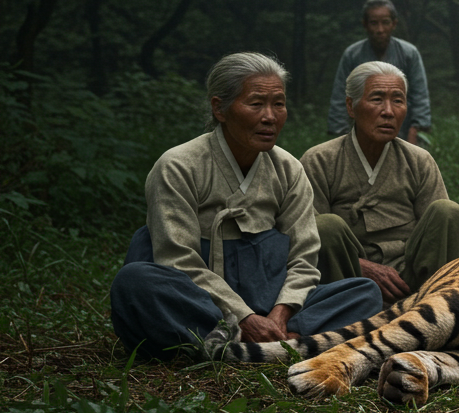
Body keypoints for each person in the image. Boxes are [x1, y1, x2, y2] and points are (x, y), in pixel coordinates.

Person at [110, 53, 382, 359]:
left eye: (278, 104)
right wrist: (243, 316)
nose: (270, 116)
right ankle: (272, 343)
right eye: (256, 104)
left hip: (269, 293)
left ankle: (248, 345)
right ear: (220, 108)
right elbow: (178, 260)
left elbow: (304, 257)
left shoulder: (288, 169)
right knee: (134, 282)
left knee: (365, 293)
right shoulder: (178, 166)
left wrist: (281, 312)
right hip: (205, 301)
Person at [301, 61, 459, 304]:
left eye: (398, 100)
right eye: (377, 99)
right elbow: (307, 240)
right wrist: (362, 267)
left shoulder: (418, 160)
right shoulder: (320, 160)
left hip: (410, 279)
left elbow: (438, 235)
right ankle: (347, 312)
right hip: (350, 277)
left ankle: (438, 308)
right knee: (325, 226)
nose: (388, 111)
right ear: (351, 106)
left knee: (448, 212)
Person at [326, 0, 431, 145]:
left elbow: (420, 96)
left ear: (394, 24)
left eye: (385, 22)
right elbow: (339, 97)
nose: (380, 30)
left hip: (402, 129)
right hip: (361, 132)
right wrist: (341, 138)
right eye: (374, 23)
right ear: (365, 24)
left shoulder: (409, 53)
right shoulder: (353, 55)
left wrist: (415, 132)